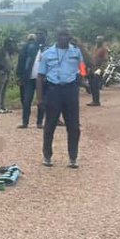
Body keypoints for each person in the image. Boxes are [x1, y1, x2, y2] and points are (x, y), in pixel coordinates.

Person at [36, 28, 84, 168]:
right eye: (61, 35)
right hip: (53, 91)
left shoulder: (76, 52)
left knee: (74, 126)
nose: (64, 37)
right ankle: (47, 156)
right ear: (56, 37)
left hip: (70, 91)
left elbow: (84, 67)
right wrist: (39, 98)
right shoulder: (47, 54)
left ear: (70, 37)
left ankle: (73, 157)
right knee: (50, 125)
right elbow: (40, 76)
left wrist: (81, 78)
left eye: (66, 35)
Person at [87, 36, 109, 107]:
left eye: (100, 40)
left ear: (102, 41)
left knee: (95, 85)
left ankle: (96, 101)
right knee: (91, 85)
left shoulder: (104, 49)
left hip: (98, 69)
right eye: (97, 40)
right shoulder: (94, 48)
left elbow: (105, 61)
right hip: (92, 68)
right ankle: (94, 100)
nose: (98, 41)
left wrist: (101, 69)